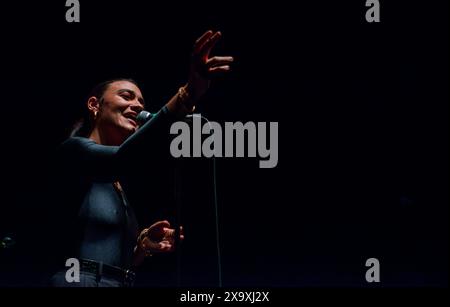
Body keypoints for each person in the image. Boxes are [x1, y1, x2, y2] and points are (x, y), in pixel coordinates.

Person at [48, 30, 233, 287]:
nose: (137, 105)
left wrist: (142, 246)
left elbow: (104, 250)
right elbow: (121, 159)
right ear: (94, 105)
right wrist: (186, 95)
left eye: (141, 101)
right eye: (126, 96)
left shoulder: (117, 181)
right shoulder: (74, 152)